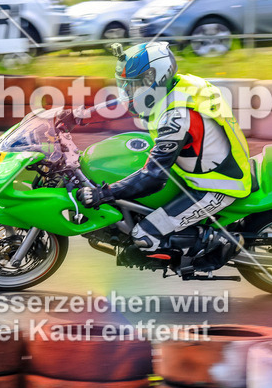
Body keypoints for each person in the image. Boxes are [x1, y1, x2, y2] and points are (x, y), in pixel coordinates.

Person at [76, 42, 253, 252]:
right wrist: (79, 116)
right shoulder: (173, 87)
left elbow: (153, 178)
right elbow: (122, 103)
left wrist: (103, 194)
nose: (127, 92)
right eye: (124, 85)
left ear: (153, 79)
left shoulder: (177, 118)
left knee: (144, 235)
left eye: (133, 86)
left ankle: (223, 244)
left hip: (216, 186)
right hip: (195, 169)